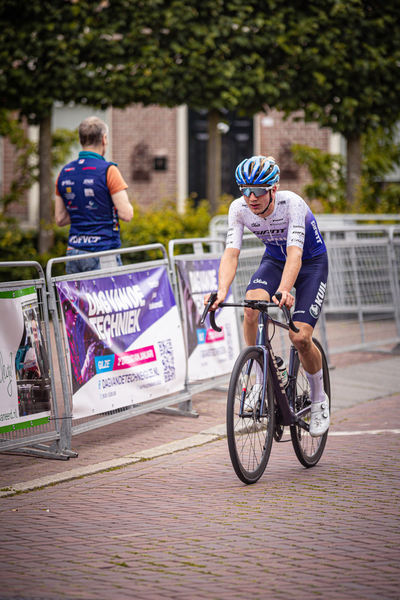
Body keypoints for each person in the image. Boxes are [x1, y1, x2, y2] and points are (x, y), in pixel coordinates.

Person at [205, 156, 330, 437]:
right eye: (244, 189)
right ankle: (261, 380)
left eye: (258, 190)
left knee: (299, 338)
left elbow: (296, 254)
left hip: (310, 264)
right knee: (251, 308)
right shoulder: (238, 209)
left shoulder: (292, 204)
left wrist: (285, 290)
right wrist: (221, 291)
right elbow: (231, 253)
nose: (251, 197)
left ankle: (319, 399)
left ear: (273, 189)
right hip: (274, 260)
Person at [55, 116, 134, 274]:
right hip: (102, 252)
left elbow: (60, 219)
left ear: (80, 140)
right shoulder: (108, 171)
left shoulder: (64, 173)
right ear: (104, 139)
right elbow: (127, 214)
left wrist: (84, 208)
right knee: (110, 299)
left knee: (78, 300)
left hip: (73, 254)